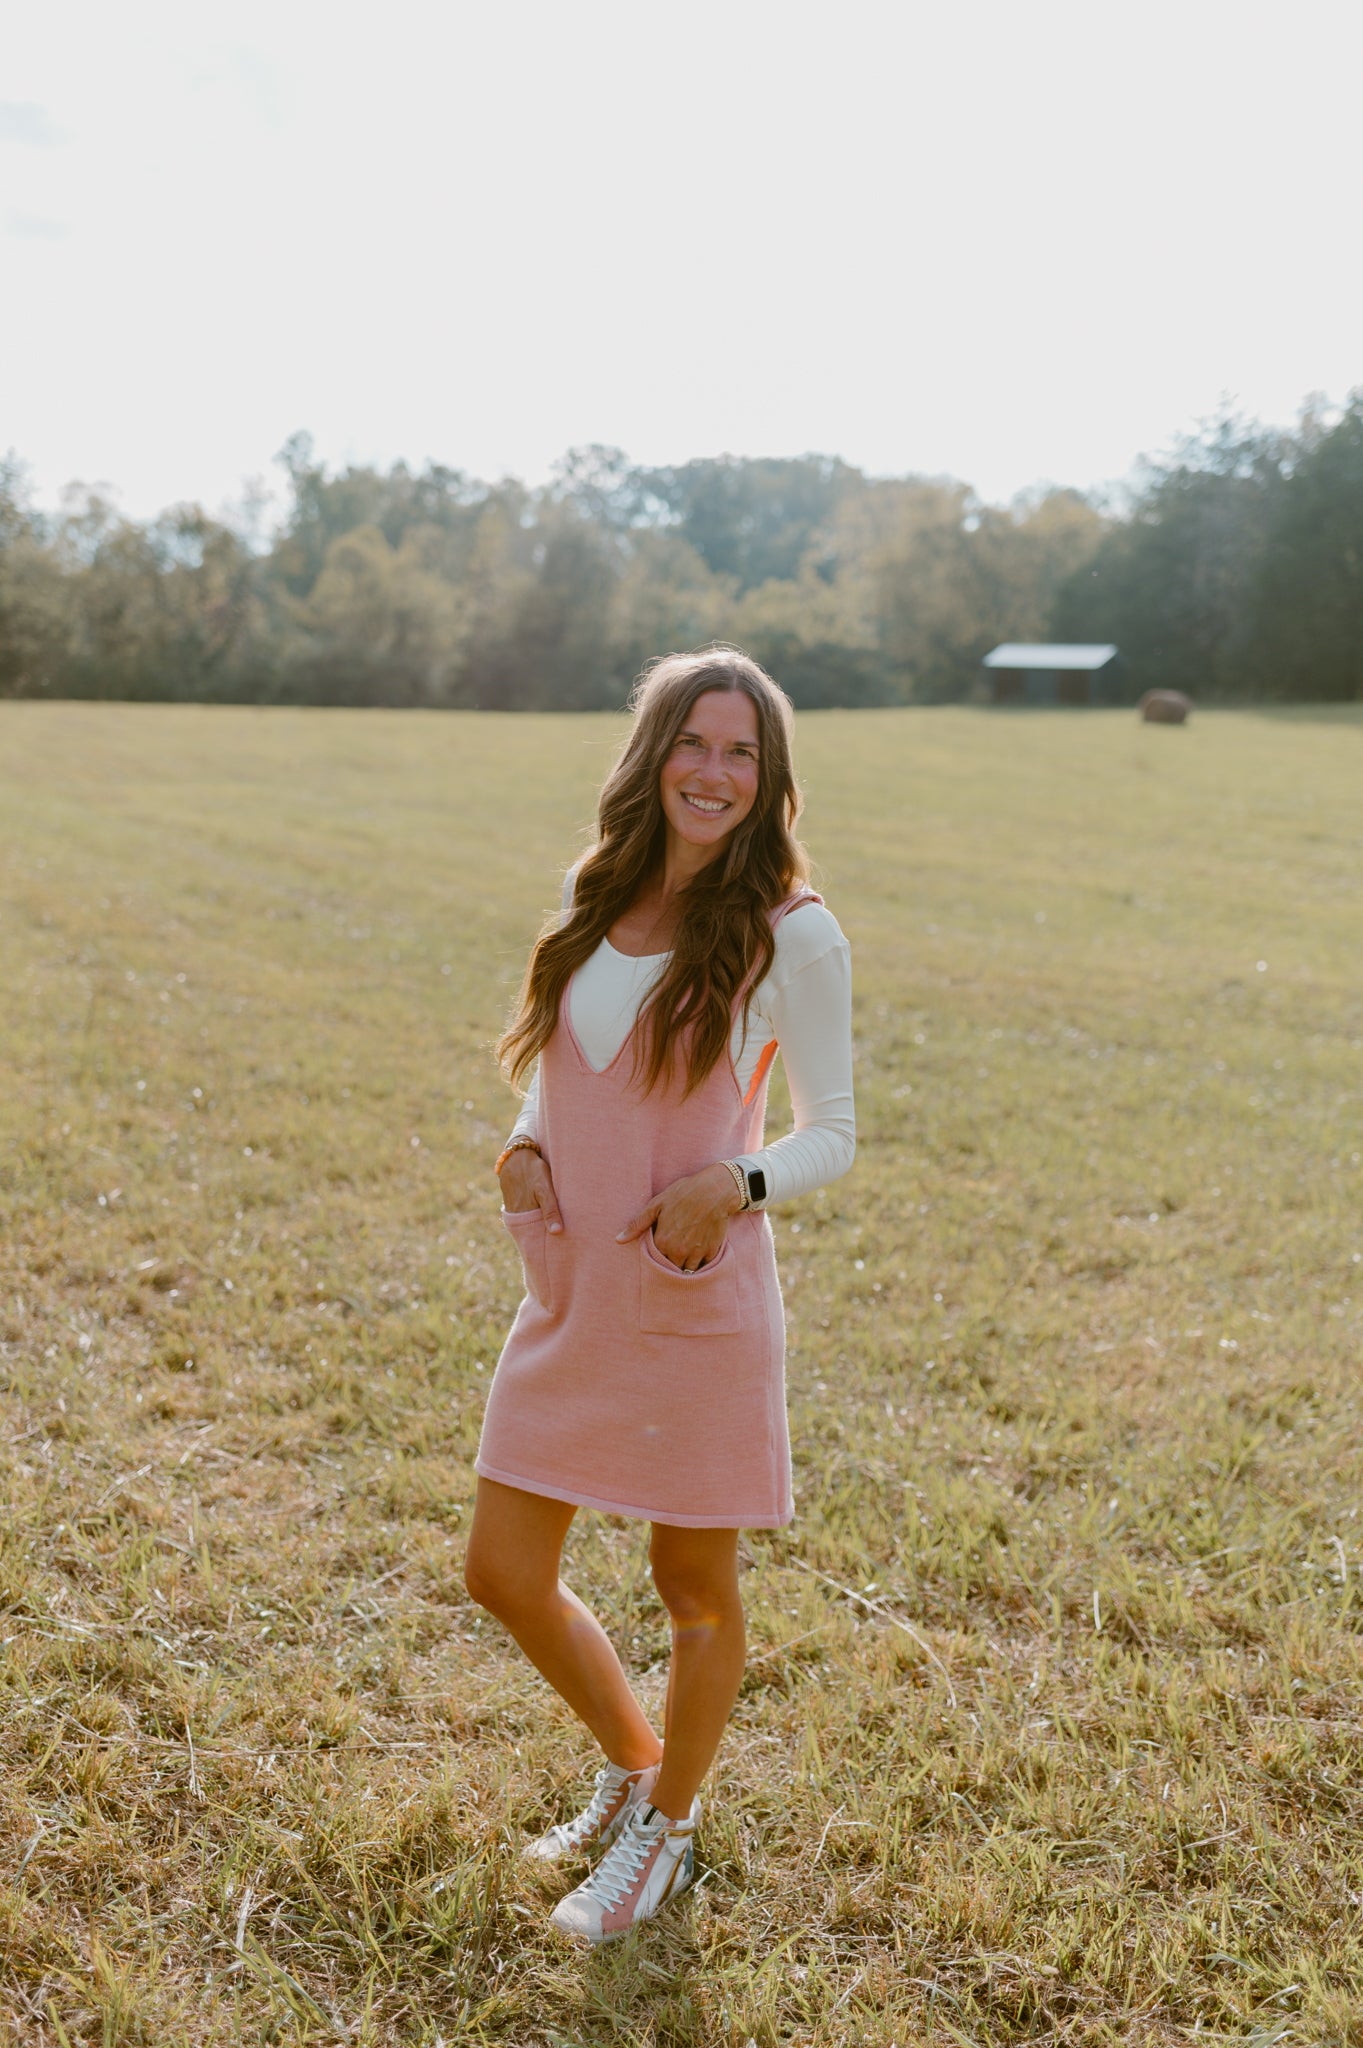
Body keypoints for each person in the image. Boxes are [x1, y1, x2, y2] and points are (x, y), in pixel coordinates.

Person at [464, 646, 855, 1943]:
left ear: (771, 778)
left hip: (695, 1295)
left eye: (744, 752)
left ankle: (668, 1835)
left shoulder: (793, 933)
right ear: (655, 753)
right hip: (574, 1290)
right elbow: (565, 1060)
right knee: (502, 1570)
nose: (716, 771)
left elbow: (833, 1133)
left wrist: (734, 1183)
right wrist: (525, 1135)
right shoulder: (601, 888)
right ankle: (636, 1766)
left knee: (694, 1588)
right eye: (696, 742)